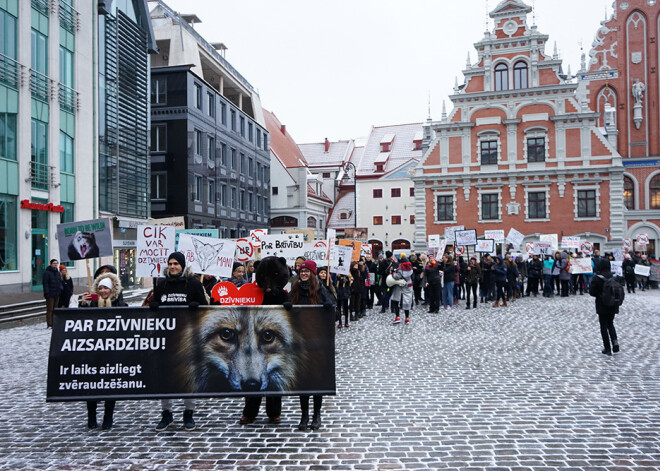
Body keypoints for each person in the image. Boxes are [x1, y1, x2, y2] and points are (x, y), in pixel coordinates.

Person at [151, 252, 208, 431]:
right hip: (166, 338)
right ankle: (166, 413)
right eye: (170, 263)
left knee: (186, 376)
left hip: (187, 338)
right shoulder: (162, 284)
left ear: (182, 265)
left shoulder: (193, 284)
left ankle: (188, 412)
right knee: (165, 376)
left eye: (176, 263)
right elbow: (156, 305)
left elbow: (206, 308)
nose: (173, 266)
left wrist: (197, 306)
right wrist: (154, 306)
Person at [288, 259, 334, 431]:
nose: (304, 274)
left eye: (307, 272)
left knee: (317, 380)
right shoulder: (295, 290)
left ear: (313, 273)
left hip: (317, 342)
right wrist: (287, 307)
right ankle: (304, 415)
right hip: (300, 341)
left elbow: (333, 316)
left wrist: (329, 308)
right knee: (303, 381)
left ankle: (316, 414)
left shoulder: (321, 290)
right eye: (301, 272)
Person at [79, 271, 127, 429]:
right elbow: (79, 322)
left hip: (112, 353)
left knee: (110, 386)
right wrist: (83, 305)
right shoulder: (93, 304)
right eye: (100, 288)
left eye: (106, 288)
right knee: (91, 385)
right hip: (93, 353)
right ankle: (91, 417)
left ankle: (108, 416)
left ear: (112, 289)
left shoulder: (120, 304)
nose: (103, 291)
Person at [589, 258, 620, 355]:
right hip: (613, 304)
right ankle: (615, 343)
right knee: (611, 324)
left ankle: (607, 348)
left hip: (602, 304)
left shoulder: (597, 278)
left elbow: (592, 292)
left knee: (603, 326)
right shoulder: (614, 276)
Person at [390, 255, 413, 324]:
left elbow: (397, 276)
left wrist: (393, 273)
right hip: (408, 286)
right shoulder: (410, 269)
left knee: (395, 300)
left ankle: (397, 317)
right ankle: (407, 318)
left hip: (399, 286)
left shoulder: (400, 269)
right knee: (407, 302)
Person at [43, 259, 62, 328]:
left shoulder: (57, 272)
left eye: (56, 263)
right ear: (51, 264)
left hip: (57, 293)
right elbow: (45, 283)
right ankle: (49, 324)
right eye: (54, 263)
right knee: (50, 309)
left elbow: (59, 281)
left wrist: (60, 289)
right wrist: (46, 293)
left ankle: (54, 322)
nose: (55, 264)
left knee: (55, 309)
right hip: (50, 293)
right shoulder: (47, 272)